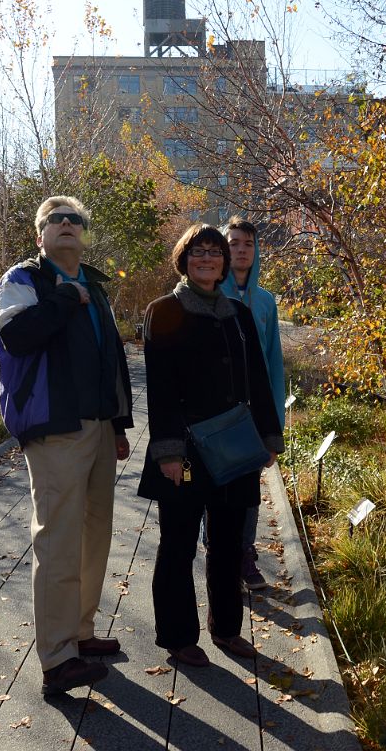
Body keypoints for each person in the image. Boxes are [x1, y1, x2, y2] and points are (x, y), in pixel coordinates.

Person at [0, 196, 133, 696]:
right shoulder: (24, 280)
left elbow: (109, 357)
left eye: (75, 219)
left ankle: (79, 633)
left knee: (95, 533)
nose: (67, 224)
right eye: (56, 219)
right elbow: (17, 336)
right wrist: (65, 299)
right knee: (57, 539)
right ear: (40, 235)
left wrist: (119, 423)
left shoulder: (94, 286)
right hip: (55, 427)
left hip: (96, 426)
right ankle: (56, 660)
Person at [139, 224, 283, 667]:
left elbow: (257, 380)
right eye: (198, 252)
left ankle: (227, 629)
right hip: (182, 455)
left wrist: (269, 436)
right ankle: (179, 637)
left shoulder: (238, 314)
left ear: (225, 262)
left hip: (236, 452)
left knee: (226, 544)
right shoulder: (163, 311)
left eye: (215, 252)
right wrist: (166, 452)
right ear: (184, 259)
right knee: (178, 543)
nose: (208, 259)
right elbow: (159, 389)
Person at [219, 217, 285, 591]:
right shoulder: (213, 293)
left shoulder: (265, 300)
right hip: (218, 412)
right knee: (218, 485)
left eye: (248, 244)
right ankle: (218, 549)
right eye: (234, 243)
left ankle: (244, 556)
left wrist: (273, 425)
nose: (241, 249)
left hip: (253, 413)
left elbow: (273, 362)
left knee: (248, 490)